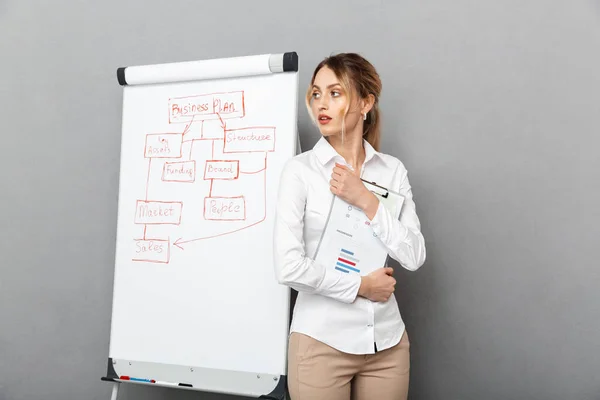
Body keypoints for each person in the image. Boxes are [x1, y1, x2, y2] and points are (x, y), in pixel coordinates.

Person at [273, 53, 426, 400]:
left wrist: (366, 200)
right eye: (316, 93)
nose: (321, 104)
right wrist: (361, 286)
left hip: (386, 344)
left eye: (335, 93)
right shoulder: (300, 172)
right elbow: (288, 266)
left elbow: (414, 255)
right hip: (320, 344)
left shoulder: (392, 171)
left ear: (366, 102)